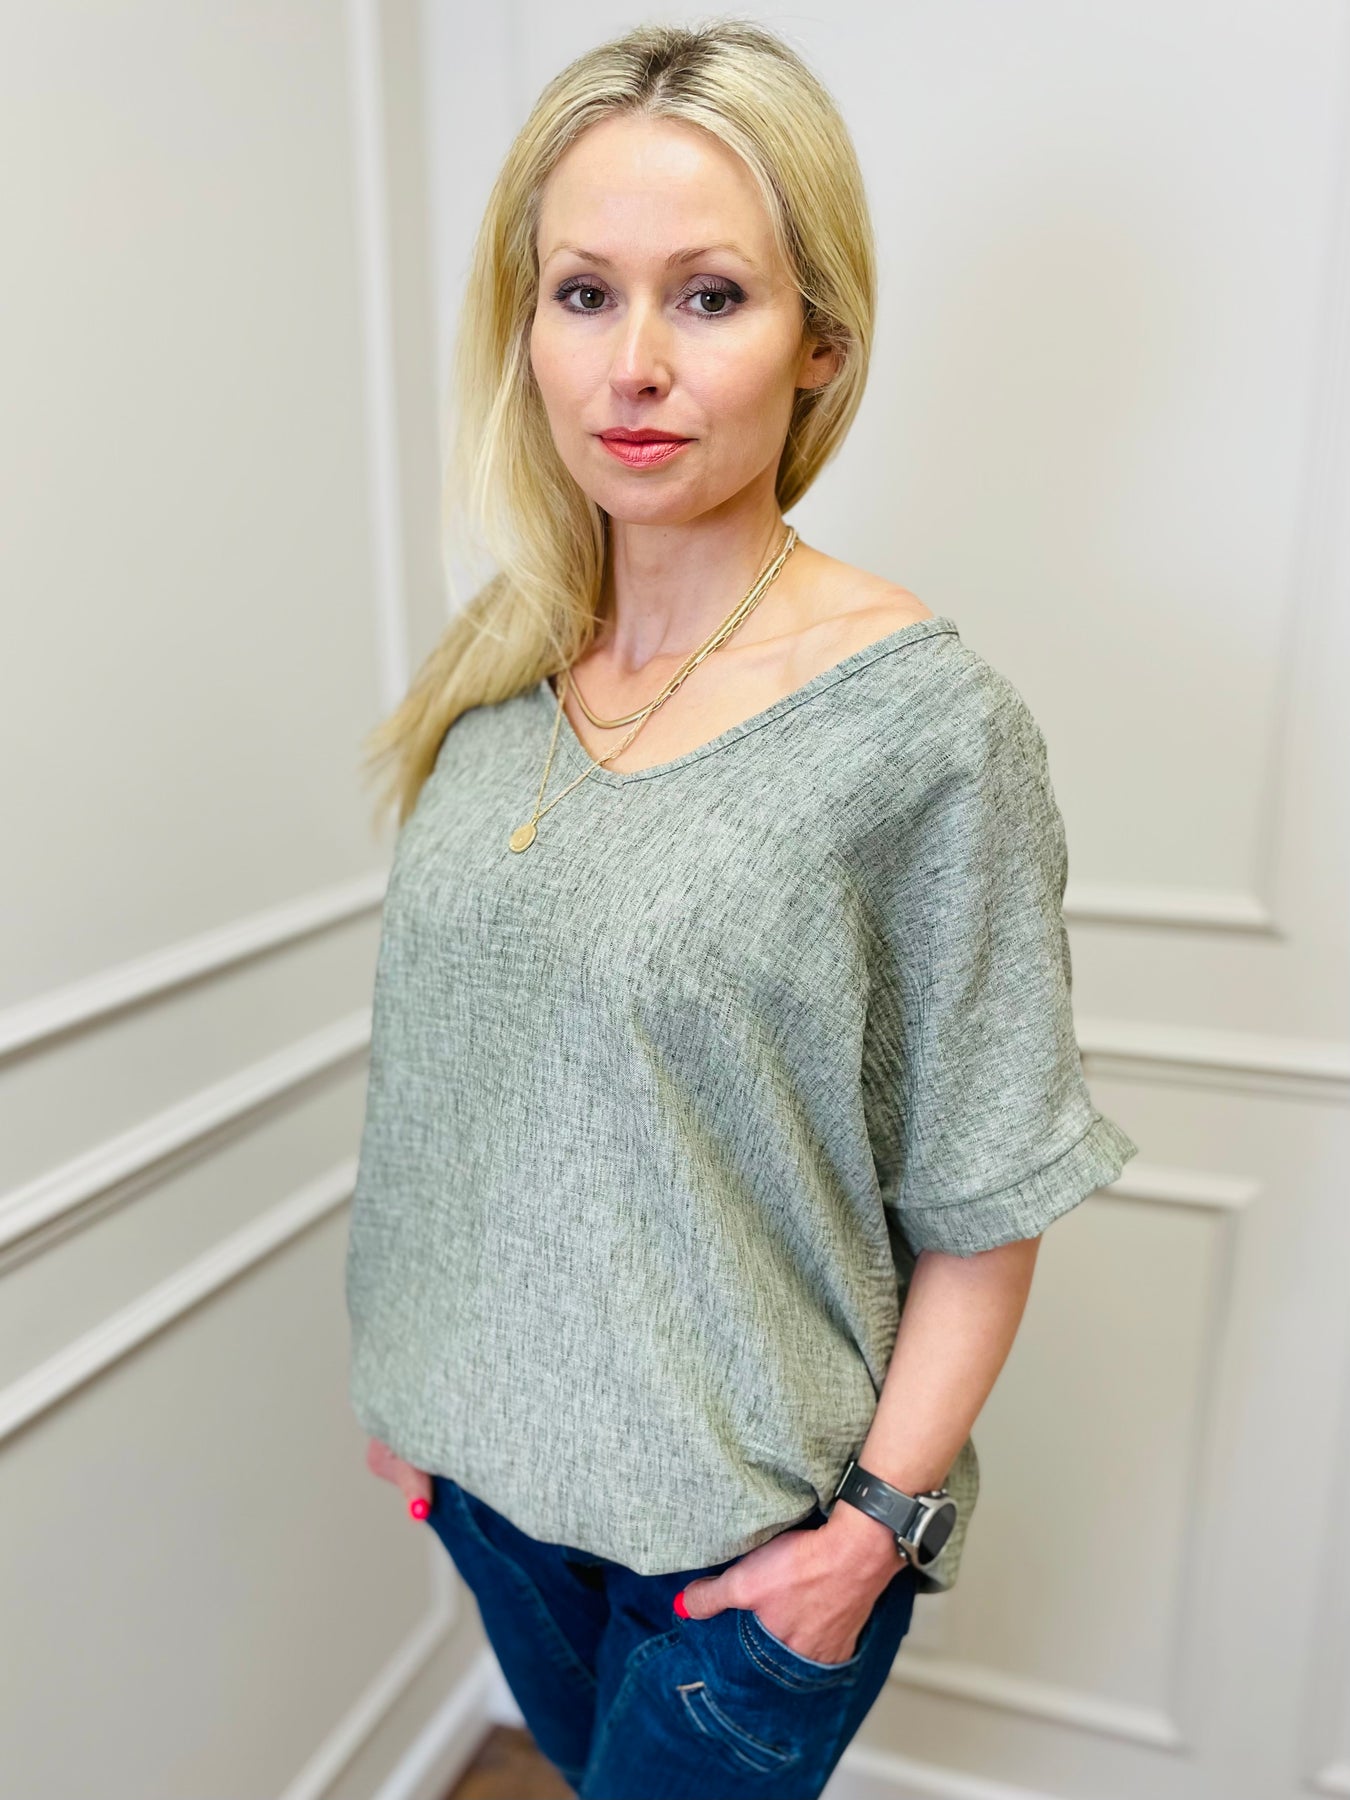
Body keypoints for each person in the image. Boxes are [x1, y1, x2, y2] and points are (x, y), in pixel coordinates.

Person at [344, 20, 1138, 1800]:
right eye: (582, 294)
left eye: (708, 297)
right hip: (491, 1503)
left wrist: (868, 1542)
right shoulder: (495, 675)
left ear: (818, 341)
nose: (633, 365)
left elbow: (987, 1193)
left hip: (741, 1568)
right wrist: (414, 1391)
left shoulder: (923, 727)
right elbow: (454, 1090)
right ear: (525, 328)